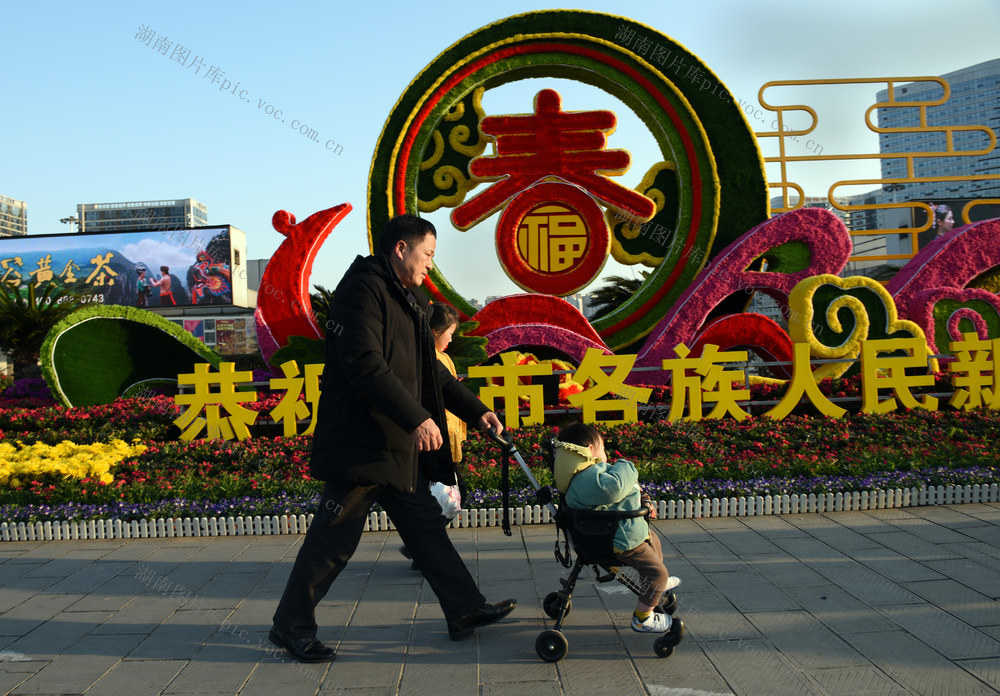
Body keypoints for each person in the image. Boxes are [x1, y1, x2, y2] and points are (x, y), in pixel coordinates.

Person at [270, 214, 516, 663]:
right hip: (362, 443)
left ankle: (464, 609)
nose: (430, 266)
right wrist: (416, 419)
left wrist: (478, 410)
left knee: (425, 529)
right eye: (427, 255)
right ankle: (290, 626)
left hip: (394, 445)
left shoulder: (410, 298)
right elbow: (365, 365)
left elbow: (431, 374)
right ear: (400, 248)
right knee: (333, 541)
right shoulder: (360, 290)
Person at [553, 422, 680, 633]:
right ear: (590, 449)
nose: (605, 453)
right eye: (602, 448)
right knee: (657, 572)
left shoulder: (584, 474)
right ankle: (643, 617)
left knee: (653, 541)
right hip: (618, 540)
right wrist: (626, 464)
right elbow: (615, 488)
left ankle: (655, 586)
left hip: (616, 533)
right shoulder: (587, 478)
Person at [399, 302, 465, 569]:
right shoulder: (425, 359)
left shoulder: (443, 357)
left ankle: (421, 549)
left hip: (450, 439)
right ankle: (421, 546)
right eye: (449, 332)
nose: (451, 338)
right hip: (437, 441)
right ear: (435, 331)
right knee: (453, 496)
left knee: (451, 497)